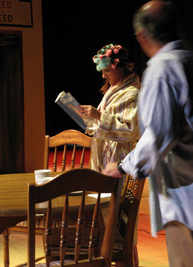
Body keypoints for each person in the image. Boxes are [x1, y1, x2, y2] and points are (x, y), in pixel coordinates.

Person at [103, 1, 193, 267]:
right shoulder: (188, 59)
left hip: (185, 189)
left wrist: (122, 166)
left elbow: (160, 135)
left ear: (142, 36)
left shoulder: (161, 69)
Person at [78, 44, 141, 266]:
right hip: (106, 158)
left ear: (119, 66)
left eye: (106, 71)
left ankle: (120, 258)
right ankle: (106, 254)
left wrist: (98, 116)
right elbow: (105, 122)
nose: (104, 75)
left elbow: (130, 129)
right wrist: (89, 119)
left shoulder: (132, 93)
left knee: (115, 217)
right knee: (105, 216)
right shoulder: (113, 91)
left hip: (119, 160)